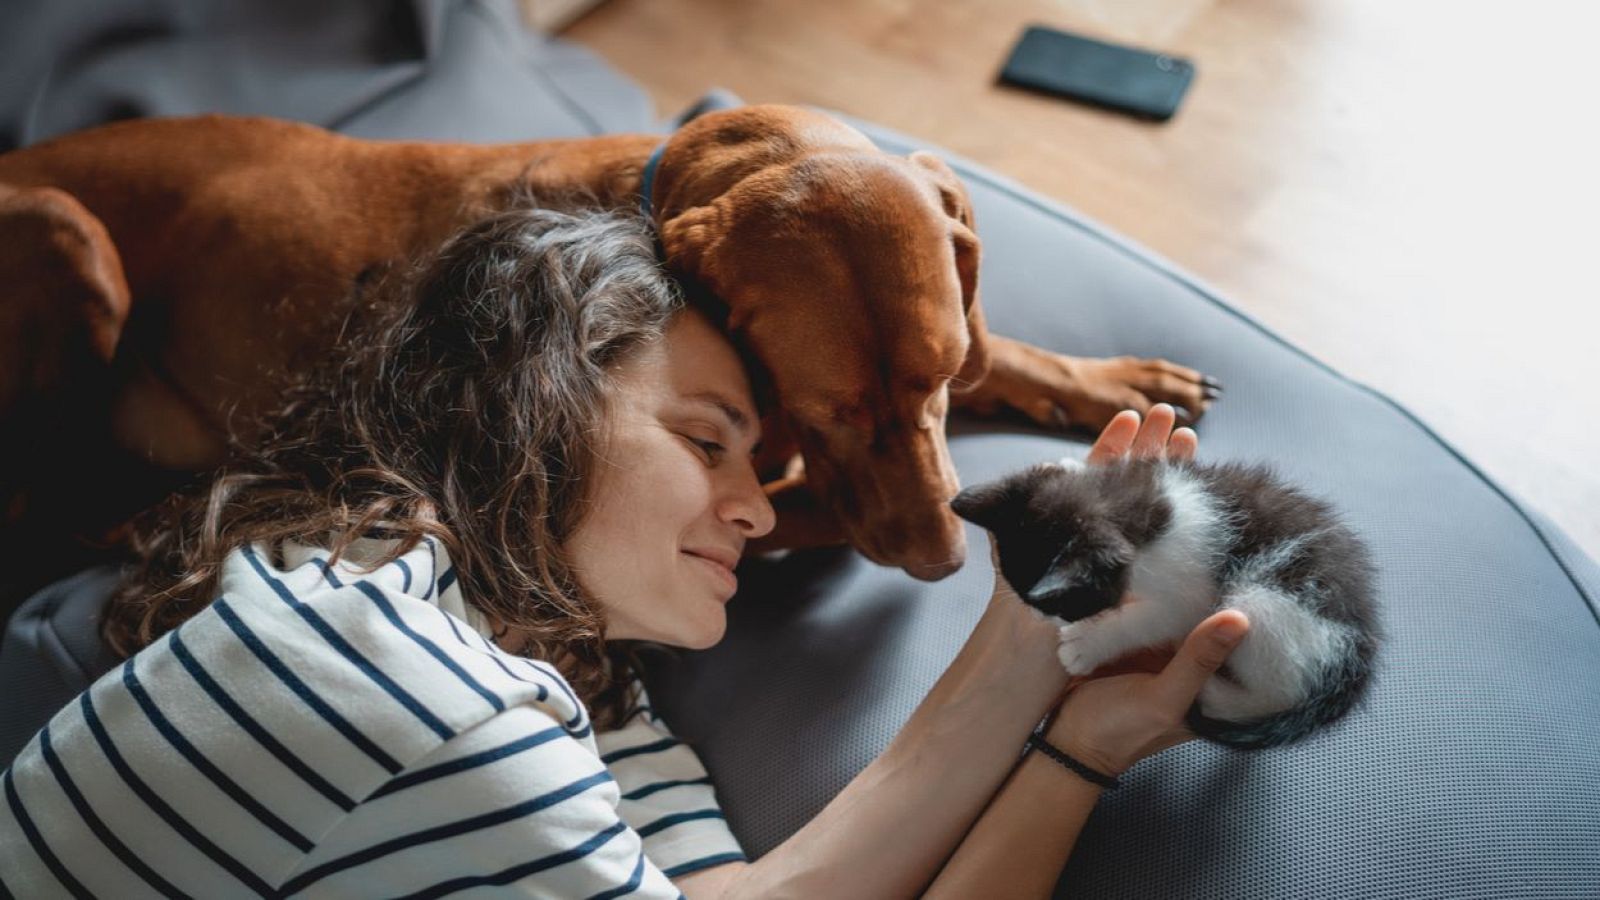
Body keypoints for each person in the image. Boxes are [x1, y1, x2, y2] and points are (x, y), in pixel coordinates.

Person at [0, 202, 1249, 898]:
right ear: (528, 403)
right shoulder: (388, 668)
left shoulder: (584, 693)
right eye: (708, 442)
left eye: (757, 466)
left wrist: (1060, 708)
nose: (760, 513)